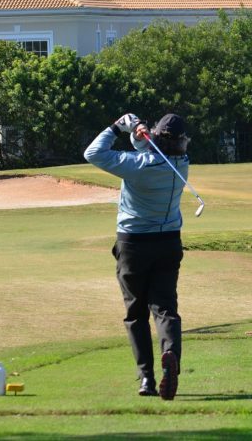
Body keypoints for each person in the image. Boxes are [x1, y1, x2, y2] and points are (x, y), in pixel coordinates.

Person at [83, 112, 190, 400]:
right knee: (165, 307)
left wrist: (118, 127)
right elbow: (151, 147)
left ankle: (146, 378)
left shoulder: (137, 165)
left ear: (157, 136)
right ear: (181, 142)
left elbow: (92, 153)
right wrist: (138, 133)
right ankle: (170, 353)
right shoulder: (181, 164)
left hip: (133, 245)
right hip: (168, 243)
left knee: (136, 314)